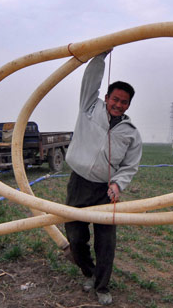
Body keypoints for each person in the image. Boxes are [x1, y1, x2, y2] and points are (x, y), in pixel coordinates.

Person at [64, 51, 142, 305]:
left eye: (124, 102)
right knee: (75, 237)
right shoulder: (89, 107)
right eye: (115, 99)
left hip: (104, 192)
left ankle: (102, 286)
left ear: (129, 105)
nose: (118, 105)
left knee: (106, 243)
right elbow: (91, 79)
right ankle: (89, 271)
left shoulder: (131, 134)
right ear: (107, 98)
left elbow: (130, 166)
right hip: (79, 184)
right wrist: (100, 55)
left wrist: (118, 184)